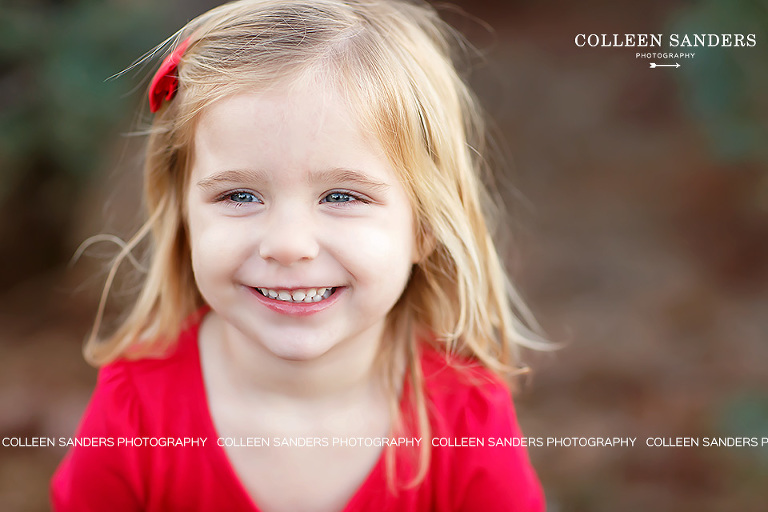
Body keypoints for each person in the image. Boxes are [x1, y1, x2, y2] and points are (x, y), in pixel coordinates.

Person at [50, 0, 547, 510]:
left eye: (342, 196)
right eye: (239, 196)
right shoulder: (135, 409)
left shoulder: (466, 416)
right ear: (183, 217)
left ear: (425, 227)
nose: (288, 245)